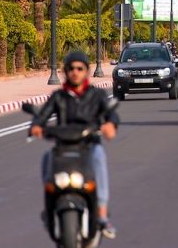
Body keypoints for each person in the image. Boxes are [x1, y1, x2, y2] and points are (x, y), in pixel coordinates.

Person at [30, 51, 120, 239]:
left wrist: (110, 124)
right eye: (71, 68)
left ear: (86, 71)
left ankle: (102, 215)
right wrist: (37, 126)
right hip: (63, 146)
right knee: (47, 158)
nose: (75, 72)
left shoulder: (96, 95)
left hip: (89, 145)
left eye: (80, 68)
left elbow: (110, 113)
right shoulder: (59, 96)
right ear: (65, 72)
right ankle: (49, 208)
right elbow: (43, 115)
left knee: (99, 158)